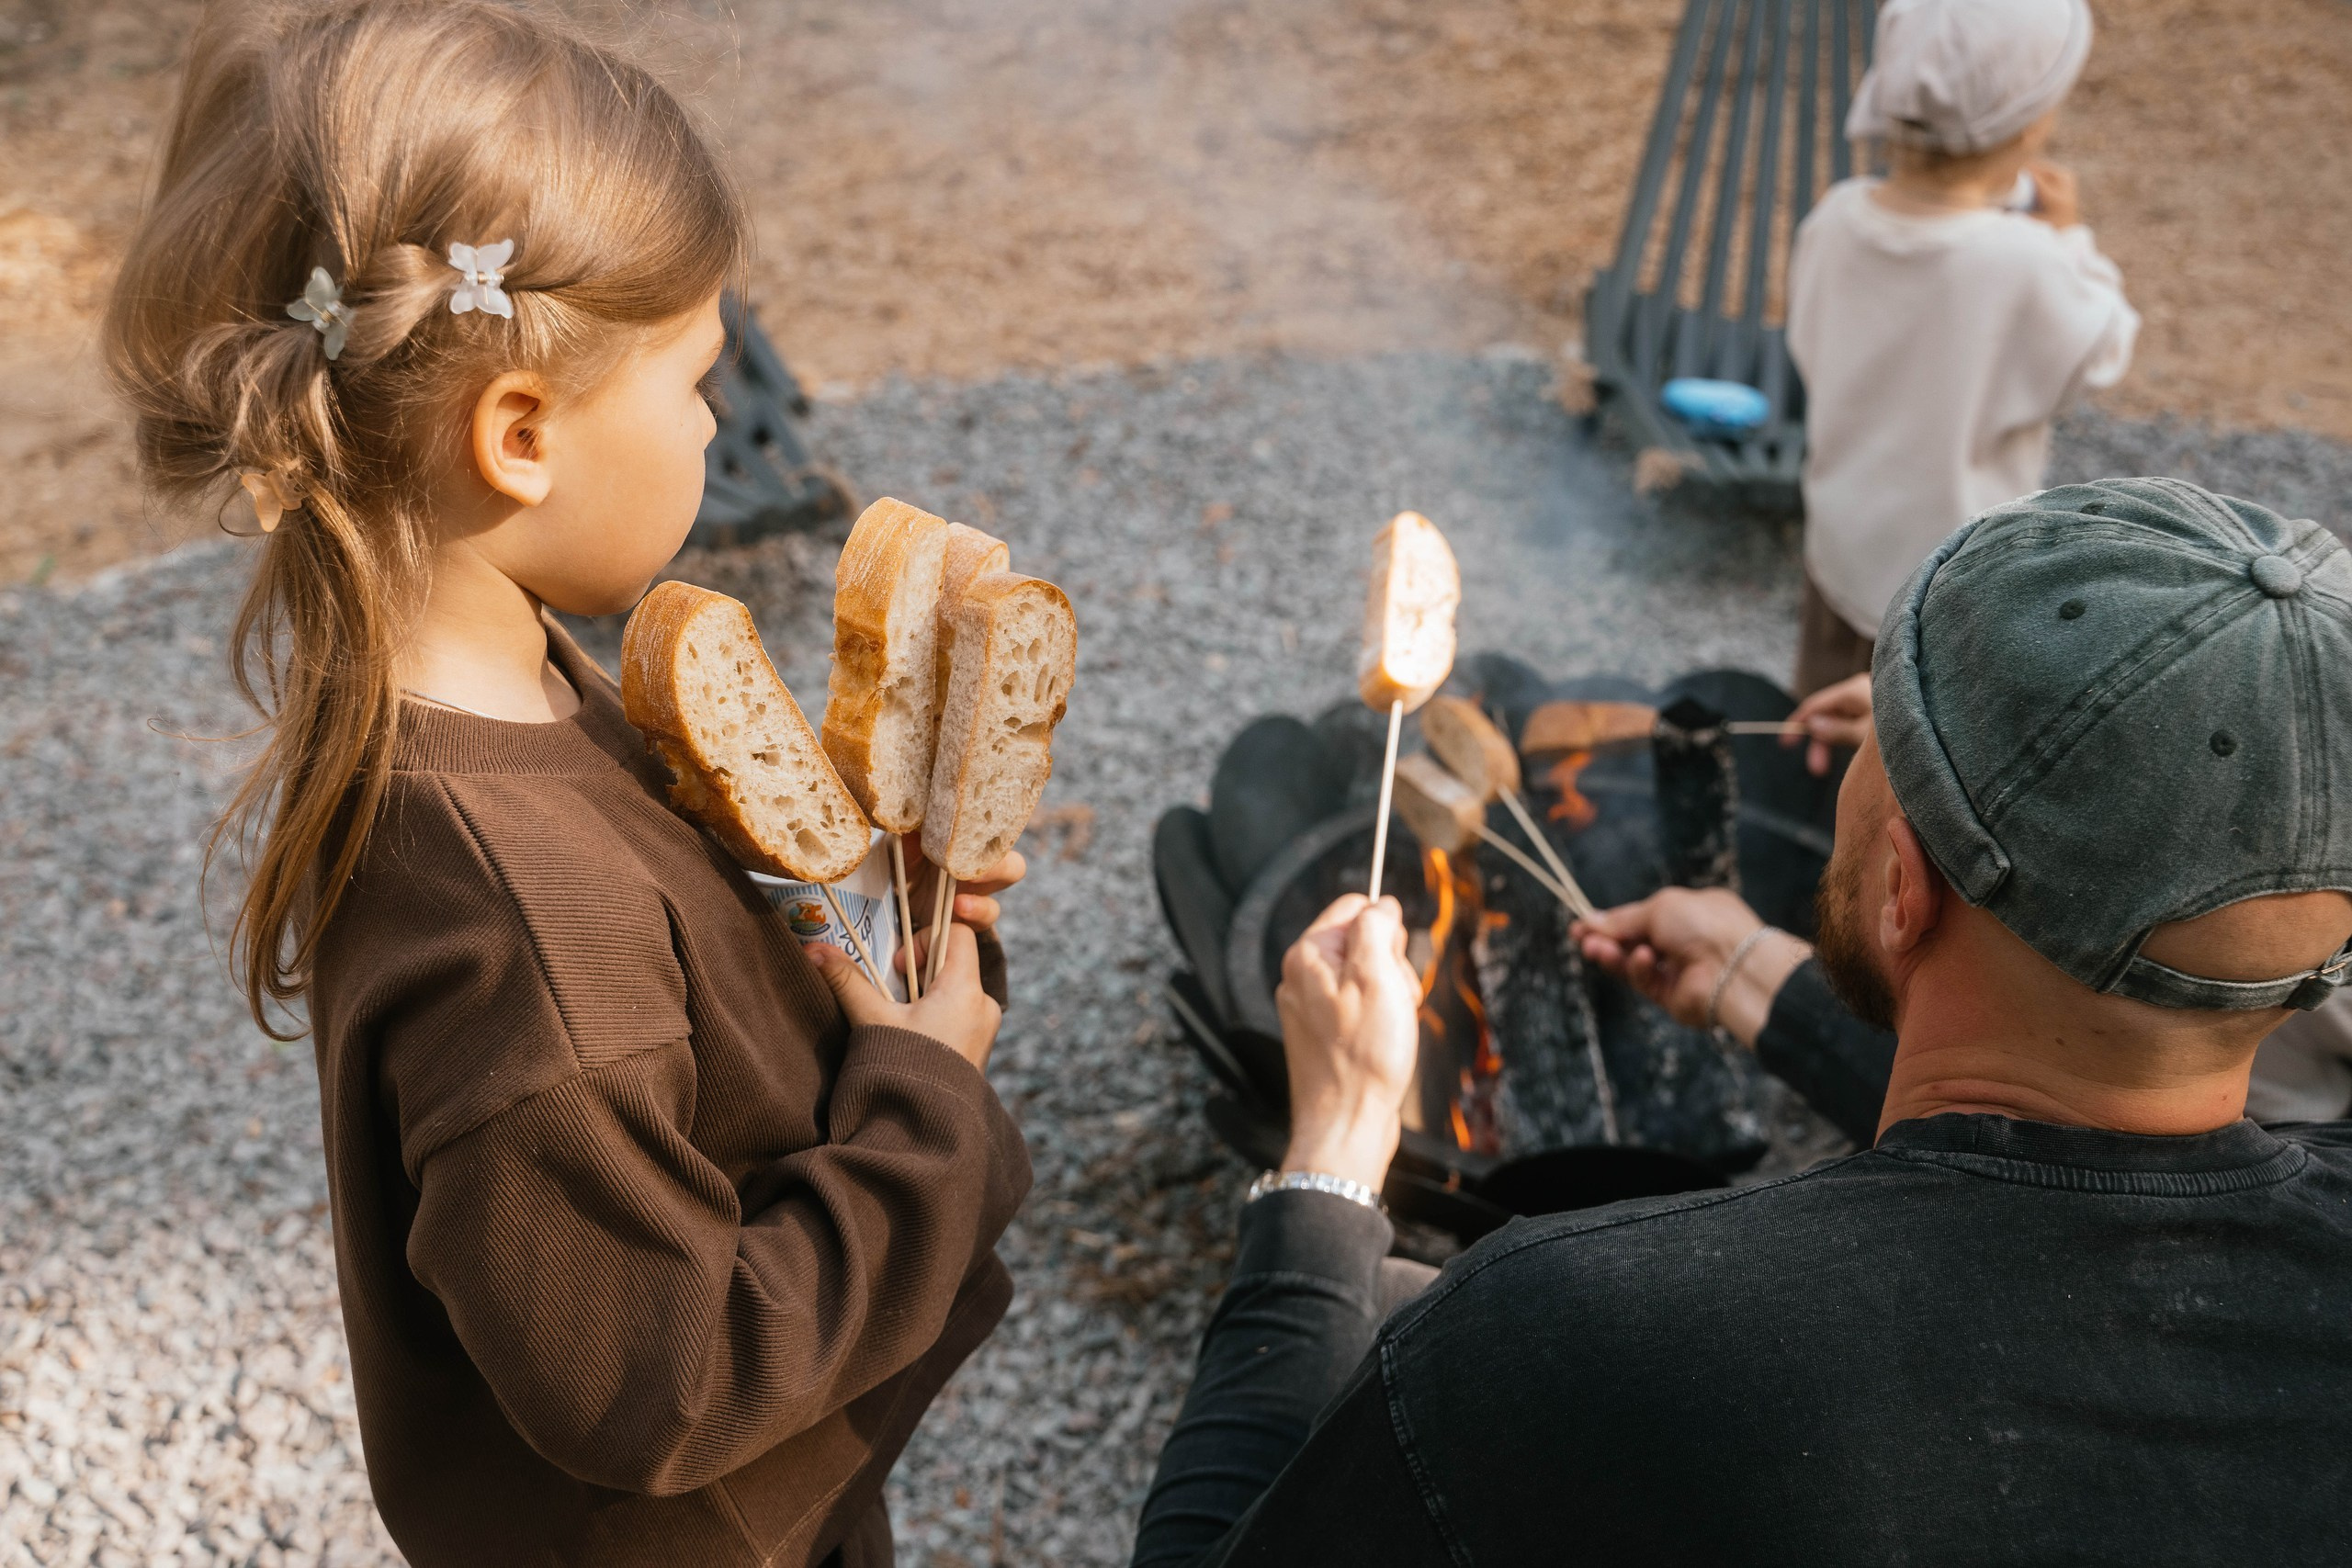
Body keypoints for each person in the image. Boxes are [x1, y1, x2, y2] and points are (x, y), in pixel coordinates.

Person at [103, 6, 1028, 1564]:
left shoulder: (501, 687)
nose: (720, 427)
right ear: (519, 435)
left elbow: (674, 1003)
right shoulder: (510, 920)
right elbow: (664, 1382)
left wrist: (874, 923)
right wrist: (926, 1104)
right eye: (695, 384)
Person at [1133, 478, 2352, 1565]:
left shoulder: (1584, 1338)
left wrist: (1333, 1158)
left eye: (1885, 745)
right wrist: (1756, 977)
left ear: (1898, 886)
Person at [1787, 0, 2139, 695]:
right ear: (2035, 119)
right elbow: (2102, 350)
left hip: (1840, 556)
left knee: (1818, 736)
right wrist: (2068, 237)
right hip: (1953, 596)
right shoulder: (2025, 262)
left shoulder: (1834, 219)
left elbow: (1809, 346)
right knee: (1919, 779)